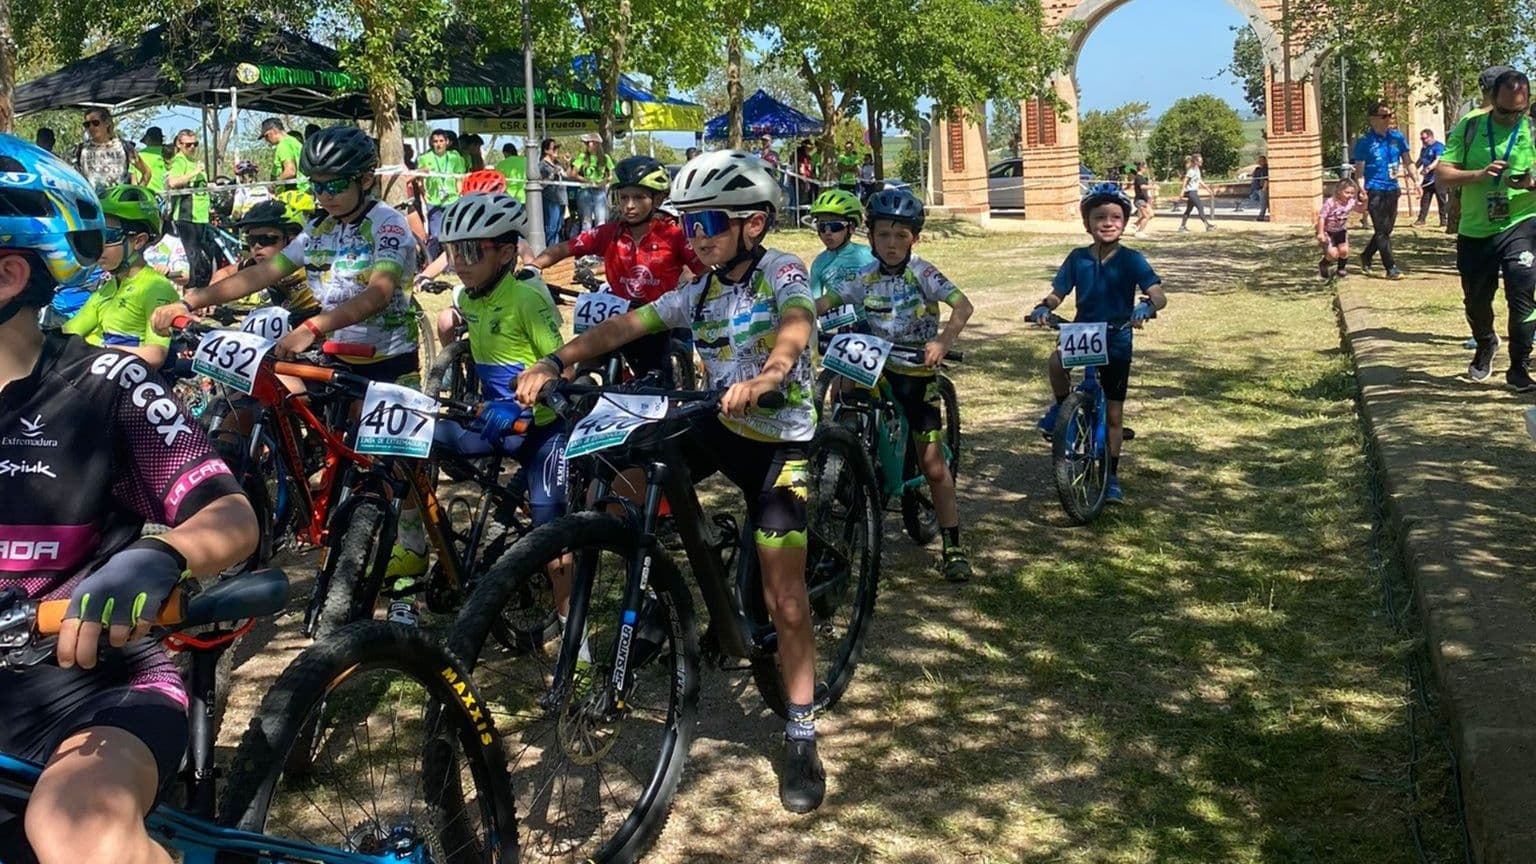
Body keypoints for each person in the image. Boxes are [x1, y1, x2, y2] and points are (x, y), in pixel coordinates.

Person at [514, 149, 828, 813]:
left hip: (781, 442)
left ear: (755, 223)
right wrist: (557, 359)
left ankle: (801, 730)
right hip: (719, 421)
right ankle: (652, 581)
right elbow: (630, 323)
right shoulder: (701, 289)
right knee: (629, 482)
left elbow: (797, 321)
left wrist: (773, 371)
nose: (697, 235)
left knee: (785, 597)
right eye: (689, 224)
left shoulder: (783, 269)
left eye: (710, 220)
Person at [0, 131, 258, 864]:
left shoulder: (102, 387)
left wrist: (161, 552)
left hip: (93, 692)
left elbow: (229, 514)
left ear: (8, 273)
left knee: (76, 833)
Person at [815, 188, 975, 582]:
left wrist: (943, 342)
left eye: (901, 236)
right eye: (884, 235)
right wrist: (794, 314)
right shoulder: (862, 275)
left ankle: (952, 542)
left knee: (934, 465)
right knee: (845, 391)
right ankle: (848, 461)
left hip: (916, 373)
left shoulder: (923, 272)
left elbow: (963, 305)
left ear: (914, 239)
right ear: (870, 237)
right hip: (876, 366)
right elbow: (825, 302)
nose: (891, 243)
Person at [1031, 183, 1168, 504]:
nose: (1108, 223)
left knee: (1115, 415)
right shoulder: (1077, 258)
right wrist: (1045, 306)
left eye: (1116, 217)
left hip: (1117, 334)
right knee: (1055, 362)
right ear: (1087, 223)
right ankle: (1064, 406)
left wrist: (1147, 306)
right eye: (1099, 217)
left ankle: (1112, 477)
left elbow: (1159, 294)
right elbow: (1058, 292)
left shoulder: (1132, 259)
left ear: (1125, 222)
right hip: (1083, 332)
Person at [519, 155, 702, 384]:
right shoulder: (609, 233)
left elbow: (701, 271)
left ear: (658, 199)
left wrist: (691, 286)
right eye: (623, 197)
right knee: (588, 357)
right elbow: (566, 247)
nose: (629, 205)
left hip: (661, 322)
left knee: (664, 380)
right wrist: (534, 266)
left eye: (638, 197)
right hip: (619, 317)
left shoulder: (674, 235)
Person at [1436, 68, 1536, 392]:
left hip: (1521, 222)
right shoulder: (1472, 125)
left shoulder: (1533, 129)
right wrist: (1478, 174)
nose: (1510, 117)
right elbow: (1443, 173)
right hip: (1476, 229)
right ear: (1493, 99)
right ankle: (1486, 342)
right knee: (1477, 301)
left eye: (1518, 111)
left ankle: (1519, 367)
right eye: (1504, 110)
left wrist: (1531, 182)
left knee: (1522, 294)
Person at [61, 185, 181, 369]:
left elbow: (156, 355)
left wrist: (97, 352)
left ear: (139, 241)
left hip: (125, 383)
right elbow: (70, 331)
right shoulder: (110, 285)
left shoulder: (156, 288)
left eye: (108, 237)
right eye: (95, 236)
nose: (98, 247)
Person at [1351, 100, 1416, 279]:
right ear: (1373, 119)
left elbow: (1408, 161)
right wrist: (1362, 189)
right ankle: (1391, 268)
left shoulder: (1397, 138)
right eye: (1384, 116)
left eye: (1390, 115)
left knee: (1387, 229)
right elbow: (1360, 170)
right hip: (1375, 189)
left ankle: (1366, 256)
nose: (1389, 119)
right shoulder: (1365, 142)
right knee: (1381, 230)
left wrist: (1416, 181)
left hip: (1393, 188)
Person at [226, 199, 321, 317]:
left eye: (267, 239)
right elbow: (226, 272)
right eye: (251, 240)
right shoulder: (261, 264)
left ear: (292, 240)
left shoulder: (315, 267)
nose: (257, 246)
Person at [165, 130, 214, 289]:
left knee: (203, 257)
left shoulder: (194, 161)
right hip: (186, 215)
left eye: (195, 144)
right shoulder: (180, 161)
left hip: (200, 215)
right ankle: (192, 294)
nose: (192, 147)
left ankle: (202, 294)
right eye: (188, 145)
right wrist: (195, 172)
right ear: (179, 144)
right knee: (191, 258)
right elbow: (173, 182)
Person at [806, 188, 874, 299]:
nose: (828, 232)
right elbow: (815, 304)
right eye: (822, 226)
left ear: (851, 228)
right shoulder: (818, 264)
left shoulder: (869, 255)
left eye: (835, 226)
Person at [417, 128, 469, 263]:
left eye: (441, 141)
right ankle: (432, 263)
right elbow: (420, 180)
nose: (438, 144)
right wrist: (424, 195)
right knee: (435, 235)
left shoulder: (455, 157)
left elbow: (459, 178)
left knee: (453, 233)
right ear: (431, 143)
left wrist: (459, 195)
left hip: (452, 199)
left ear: (447, 142)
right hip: (434, 201)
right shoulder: (424, 158)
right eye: (435, 141)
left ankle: (455, 262)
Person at [70, 107, 150, 193]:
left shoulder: (124, 146)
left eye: (95, 123)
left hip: (119, 205)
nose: (91, 127)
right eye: (87, 124)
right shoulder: (79, 150)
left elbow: (147, 173)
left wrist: (136, 194)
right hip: (92, 204)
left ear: (107, 123)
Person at [1316, 178, 1365, 280]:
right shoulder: (1330, 203)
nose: (1349, 195)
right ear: (1339, 191)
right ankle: (1323, 264)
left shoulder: (1351, 202)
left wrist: (1365, 201)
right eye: (1347, 192)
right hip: (1328, 231)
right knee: (1333, 254)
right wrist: (1320, 233)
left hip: (1340, 230)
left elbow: (1361, 210)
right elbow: (1322, 217)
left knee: (1344, 251)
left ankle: (1341, 269)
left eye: (1352, 193)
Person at [571, 134, 615, 234]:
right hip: (585, 190)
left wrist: (602, 182)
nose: (587, 145)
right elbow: (574, 174)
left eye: (588, 143)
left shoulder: (605, 158)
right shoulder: (582, 156)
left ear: (596, 143)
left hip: (599, 191)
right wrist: (587, 181)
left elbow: (611, 176)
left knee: (601, 222)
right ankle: (585, 247)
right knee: (586, 222)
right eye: (586, 143)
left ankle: (600, 246)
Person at [537, 138, 569, 248]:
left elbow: (567, 176)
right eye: (554, 148)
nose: (556, 150)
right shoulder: (542, 165)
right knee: (551, 227)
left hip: (561, 199)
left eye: (557, 148)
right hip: (550, 200)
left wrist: (567, 163)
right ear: (546, 151)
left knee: (559, 226)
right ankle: (548, 250)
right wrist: (551, 175)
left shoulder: (558, 164)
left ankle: (554, 250)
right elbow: (540, 184)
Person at [261, 118, 306, 194]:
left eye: (266, 136)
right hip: (305, 190)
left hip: (294, 194)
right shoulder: (294, 141)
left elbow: (290, 171)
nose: (266, 140)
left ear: (274, 130)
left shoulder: (283, 145)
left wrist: (274, 183)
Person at [1414, 128, 1448, 226]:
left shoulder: (1439, 146)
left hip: (1438, 179)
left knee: (1441, 200)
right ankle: (1421, 220)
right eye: (1421, 139)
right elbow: (1420, 160)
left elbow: (1438, 160)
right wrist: (1413, 169)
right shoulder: (1424, 149)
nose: (1423, 141)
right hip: (1427, 180)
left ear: (1431, 137)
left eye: (1424, 138)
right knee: (1425, 200)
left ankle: (1443, 220)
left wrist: (1428, 168)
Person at [1178, 154, 1215, 232]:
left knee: (1188, 210)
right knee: (1200, 207)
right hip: (1191, 192)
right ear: (1195, 161)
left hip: (1194, 191)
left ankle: (1182, 227)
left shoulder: (1197, 169)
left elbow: (1199, 180)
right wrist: (1182, 191)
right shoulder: (1191, 170)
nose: (1202, 161)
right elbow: (1185, 180)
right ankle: (1207, 225)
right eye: (1200, 160)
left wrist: (1207, 188)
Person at [137, 127, 167, 194]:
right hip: (165, 195)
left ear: (148, 139)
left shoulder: (138, 155)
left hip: (144, 195)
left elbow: (134, 179)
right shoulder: (169, 152)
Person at [1131, 160, 1156, 236]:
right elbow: (1142, 187)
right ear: (1141, 168)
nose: (1146, 169)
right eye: (1145, 167)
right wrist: (1153, 187)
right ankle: (1139, 232)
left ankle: (1136, 224)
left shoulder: (1142, 177)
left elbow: (1145, 189)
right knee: (1146, 216)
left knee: (1151, 214)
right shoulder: (1138, 177)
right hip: (1139, 200)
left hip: (1144, 199)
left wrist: (1149, 197)